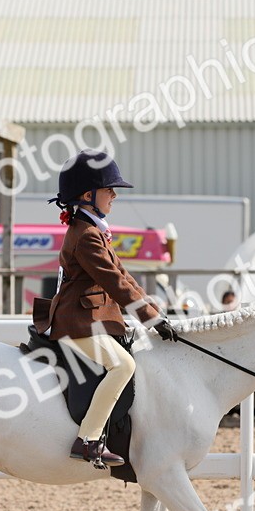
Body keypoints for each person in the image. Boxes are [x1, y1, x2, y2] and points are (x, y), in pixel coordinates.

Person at [36, 149, 178, 468]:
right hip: (77, 321)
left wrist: (154, 312)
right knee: (122, 366)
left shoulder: (95, 229)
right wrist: (151, 318)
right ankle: (88, 440)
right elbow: (115, 282)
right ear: (88, 195)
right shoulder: (86, 236)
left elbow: (124, 276)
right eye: (109, 189)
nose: (114, 195)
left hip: (91, 319)